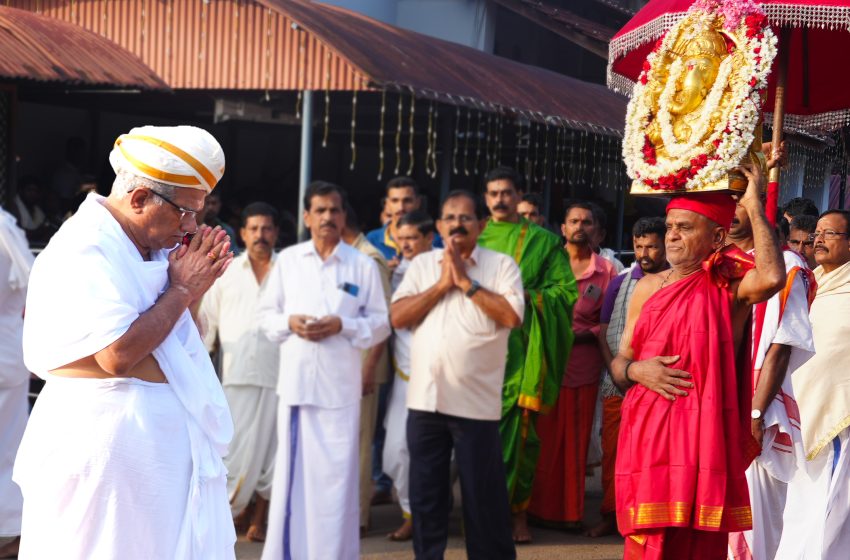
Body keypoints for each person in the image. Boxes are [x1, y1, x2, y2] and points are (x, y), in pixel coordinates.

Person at [14, 125, 237, 559]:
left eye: (198, 213)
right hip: (104, 452)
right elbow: (117, 355)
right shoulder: (85, 248)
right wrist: (181, 290)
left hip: (156, 454)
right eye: (185, 212)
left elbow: (182, 339)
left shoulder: (150, 247)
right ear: (138, 200)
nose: (191, 226)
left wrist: (194, 287)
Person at [610, 165, 786, 559]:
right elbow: (622, 361)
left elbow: (773, 277)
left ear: (718, 237)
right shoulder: (646, 288)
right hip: (648, 437)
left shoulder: (729, 287)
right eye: (671, 225)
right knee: (646, 543)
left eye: (685, 227)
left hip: (701, 444)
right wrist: (638, 370)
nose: (671, 234)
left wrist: (755, 207)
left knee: (695, 546)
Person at [258, 181, 390, 560]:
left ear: (343, 216)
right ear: (306, 217)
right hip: (298, 389)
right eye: (320, 210)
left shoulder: (361, 264)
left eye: (334, 210)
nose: (328, 217)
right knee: (292, 479)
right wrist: (291, 322)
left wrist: (343, 327)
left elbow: (382, 324)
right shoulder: (289, 260)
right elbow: (265, 317)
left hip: (341, 391)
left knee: (336, 484)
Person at [391, 189, 523, 560]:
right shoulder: (421, 266)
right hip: (425, 402)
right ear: (437, 226)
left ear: (482, 225)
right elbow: (398, 317)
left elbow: (512, 317)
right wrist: (442, 285)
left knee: (483, 499)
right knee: (426, 497)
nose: (457, 225)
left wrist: (466, 283)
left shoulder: (500, 266)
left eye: (466, 218)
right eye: (450, 218)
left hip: (475, 406)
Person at [477, 166, 577, 543]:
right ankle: (479, 512)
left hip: (520, 355)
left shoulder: (542, 241)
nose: (500, 199)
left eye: (506, 192)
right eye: (493, 193)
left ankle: (517, 513)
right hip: (473, 354)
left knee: (520, 440)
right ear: (485, 198)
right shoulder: (474, 236)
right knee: (474, 439)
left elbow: (565, 294)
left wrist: (520, 303)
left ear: (518, 196)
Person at [726, 195, 816, 560]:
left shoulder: (788, 266)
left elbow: (781, 346)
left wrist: (756, 412)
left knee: (753, 520)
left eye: (740, 203)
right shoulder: (717, 261)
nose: (731, 213)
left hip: (756, 404)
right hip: (717, 397)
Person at [528, 200, 616, 530]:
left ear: (597, 230)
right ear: (562, 228)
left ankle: (568, 514)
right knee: (542, 440)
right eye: (574, 221)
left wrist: (586, 332)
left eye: (587, 222)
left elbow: (608, 321)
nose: (580, 226)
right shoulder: (548, 262)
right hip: (545, 362)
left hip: (582, 367)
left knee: (575, 443)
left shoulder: (606, 271)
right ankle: (534, 509)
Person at [199, 201, 282, 542]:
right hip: (236, 378)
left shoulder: (290, 271)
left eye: (267, 229)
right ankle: (232, 514)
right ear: (243, 233)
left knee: (273, 457)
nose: (260, 236)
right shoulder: (227, 271)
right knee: (235, 454)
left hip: (281, 378)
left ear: (276, 233)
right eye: (254, 229)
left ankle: (259, 519)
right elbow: (207, 329)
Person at [588, 217, 669, 539]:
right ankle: (611, 514)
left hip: (657, 384)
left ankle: (645, 518)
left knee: (651, 456)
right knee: (614, 454)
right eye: (638, 246)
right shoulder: (621, 282)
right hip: (617, 383)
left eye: (651, 245)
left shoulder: (674, 280)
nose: (644, 252)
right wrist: (616, 370)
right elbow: (604, 330)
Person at [777, 209, 850, 559]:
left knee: (831, 510)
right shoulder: (809, 283)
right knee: (797, 505)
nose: (818, 239)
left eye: (830, 233)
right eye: (817, 232)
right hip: (797, 412)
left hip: (838, 420)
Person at [382, 209, 435, 542]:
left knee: (442, 452)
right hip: (404, 376)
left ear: (429, 238)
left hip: (441, 376)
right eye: (401, 240)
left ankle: (426, 514)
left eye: (412, 238)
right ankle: (411, 511)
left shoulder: (445, 270)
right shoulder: (392, 272)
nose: (406, 246)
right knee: (396, 451)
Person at [340, 203, 392, 536]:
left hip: (363, 366)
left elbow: (381, 319)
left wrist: (369, 368)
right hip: (343, 363)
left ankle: (358, 517)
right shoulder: (346, 256)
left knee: (359, 444)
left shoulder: (369, 259)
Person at [0, 207, 34, 559]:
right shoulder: (4, 225)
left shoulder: (2, 226)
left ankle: (16, 532)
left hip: (7, 350)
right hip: (9, 347)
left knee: (9, 445)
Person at [366, 176, 423, 267]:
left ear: (418, 203)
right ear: (387, 204)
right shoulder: (372, 239)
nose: (401, 207)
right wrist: (384, 270)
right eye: (395, 201)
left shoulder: (433, 240)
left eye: (407, 201)